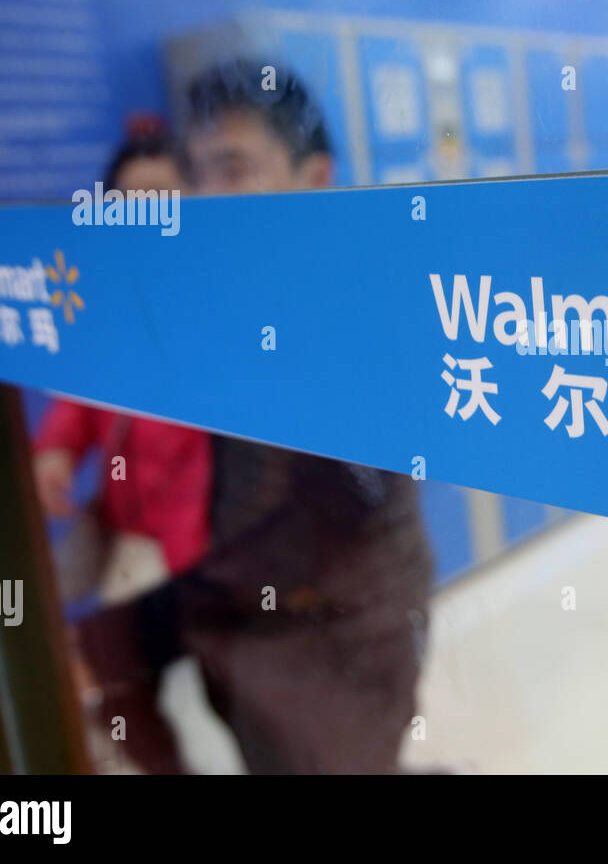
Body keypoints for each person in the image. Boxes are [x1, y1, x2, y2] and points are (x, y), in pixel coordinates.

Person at [78, 61, 433, 774]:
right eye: (198, 171)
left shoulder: (345, 304)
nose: (205, 196)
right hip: (234, 614)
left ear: (313, 180)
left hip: (330, 631)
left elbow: (329, 492)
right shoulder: (211, 299)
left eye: (233, 168)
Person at [34, 120, 212, 773]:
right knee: (118, 685)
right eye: (130, 208)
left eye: (164, 204)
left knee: (239, 691)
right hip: (132, 543)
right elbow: (79, 398)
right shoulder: (109, 302)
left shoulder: (221, 303)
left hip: (207, 546)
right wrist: (55, 449)